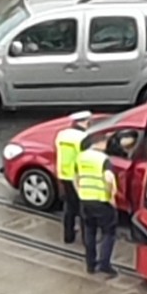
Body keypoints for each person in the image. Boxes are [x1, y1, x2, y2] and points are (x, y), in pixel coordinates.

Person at [74, 137, 119, 277]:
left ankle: (90, 264)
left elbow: (75, 177)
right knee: (108, 232)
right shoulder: (103, 159)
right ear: (97, 143)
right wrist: (111, 197)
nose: (105, 145)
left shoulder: (80, 157)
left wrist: (80, 193)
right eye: (103, 141)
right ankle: (105, 264)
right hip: (101, 201)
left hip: (85, 199)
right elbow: (108, 178)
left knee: (89, 231)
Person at [54, 110, 91, 244]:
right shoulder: (84, 138)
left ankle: (68, 236)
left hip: (64, 174)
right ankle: (86, 238)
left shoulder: (62, 134)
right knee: (83, 208)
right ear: (85, 122)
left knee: (70, 207)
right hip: (79, 176)